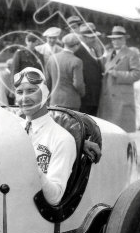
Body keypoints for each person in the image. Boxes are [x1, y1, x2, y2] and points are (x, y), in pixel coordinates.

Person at [13, 67, 77, 206]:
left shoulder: (62, 139)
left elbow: (55, 197)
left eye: (31, 90)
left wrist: (30, 167)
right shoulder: (13, 130)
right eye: (19, 92)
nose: (24, 98)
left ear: (45, 94)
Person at [98, 26, 140, 133]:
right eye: (113, 39)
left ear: (124, 39)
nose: (115, 41)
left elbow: (137, 74)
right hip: (107, 95)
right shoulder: (109, 54)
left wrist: (116, 74)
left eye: (119, 38)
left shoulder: (131, 54)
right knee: (108, 130)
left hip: (121, 97)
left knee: (120, 130)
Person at [44, 33, 85, 109]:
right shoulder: (77, 61)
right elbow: (78, 84)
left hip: (54, 100)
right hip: (71, 102)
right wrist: (82, 93)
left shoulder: (52, 58)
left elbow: (47, 81)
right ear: (76, 45)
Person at [76, 24, 104, 115]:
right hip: (84, 98)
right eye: (91, 37)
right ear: (83, 37)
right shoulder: (77, 51)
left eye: (95, 37)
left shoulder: (95, 50)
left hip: (95, 96)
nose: (95, 39)